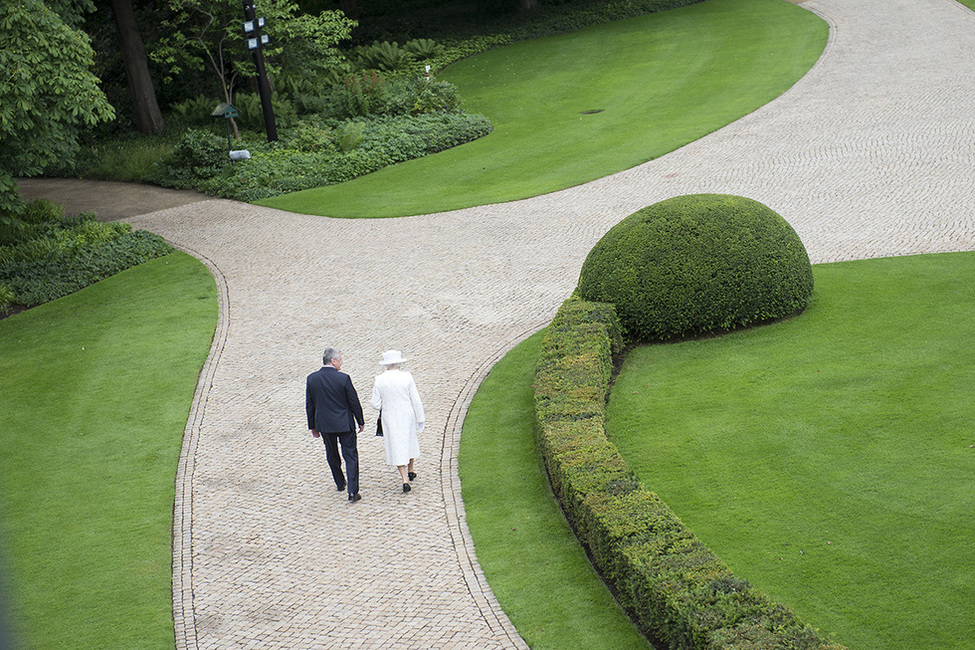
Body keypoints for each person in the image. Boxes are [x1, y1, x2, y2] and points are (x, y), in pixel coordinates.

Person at [306, 347, 365, 502]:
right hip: (344, 423)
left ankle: (340, 482)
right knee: (350, 456)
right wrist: (360, 421)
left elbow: (310, 405)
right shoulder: (343, 378)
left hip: (324, 424)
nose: (341, 362)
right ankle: (352, 491)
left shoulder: (312, 379)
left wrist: (312, 426)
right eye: (340, 359)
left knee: (331, 453)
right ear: (333, 361)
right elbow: (354, 401)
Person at [370, 350, 425, 493]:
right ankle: (411, 469)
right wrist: (421, 418)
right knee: (409, 440)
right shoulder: (407, 377)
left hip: (390, 416)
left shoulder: (379, 380)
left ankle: (404, 478)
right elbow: (415, 399)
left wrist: (386, 405)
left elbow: (375, 403)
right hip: (407, 413)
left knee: (396, 444)